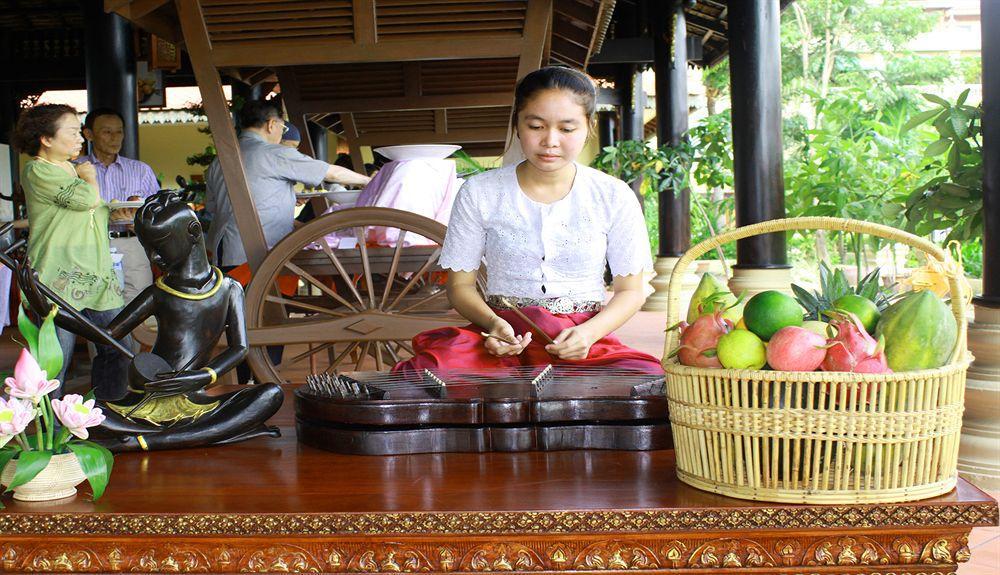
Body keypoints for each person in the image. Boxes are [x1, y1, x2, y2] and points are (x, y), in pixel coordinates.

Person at [393, 67, 662, 375]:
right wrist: (494, 324)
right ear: (517, 126)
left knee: (647, 381)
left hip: (583, 338)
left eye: (567, 128)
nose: (550, 141)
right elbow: (461, 287)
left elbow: (632, 290)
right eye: (536, 125)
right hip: (503, 335)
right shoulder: (479, 192)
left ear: (589, 126)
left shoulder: (613, 195)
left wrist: (588, 334)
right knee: (429, 375)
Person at [16, 191, 283, 452]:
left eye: (160, 246)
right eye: (148, 249)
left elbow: (240, 348)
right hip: (148, 395)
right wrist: (50, 310)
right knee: (89, 412)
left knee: (270, 394)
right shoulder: (159, 292)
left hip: (196, 395)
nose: (153, 257)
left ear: (192, 232)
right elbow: (107, 334)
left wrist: (202, 376)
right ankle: (191, 434)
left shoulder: (229, 288)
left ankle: (149, 440)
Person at [10, 104, 131, 399]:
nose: (81, 139)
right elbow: (84, 200)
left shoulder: (73, 168)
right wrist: (89, 178)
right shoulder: (38, 170)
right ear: (46, 139)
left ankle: (103, 412)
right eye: (73, 132)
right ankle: (48, 430)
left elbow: (92, 209)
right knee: (56, 360)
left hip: (97, 272)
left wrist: (111, 212)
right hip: (58, 276)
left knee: (118, 346)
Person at [204, 99, 370, 269]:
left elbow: (213, 206)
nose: (281, 134)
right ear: (271, 124)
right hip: (259, 253)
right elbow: (332, 174)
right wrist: (369, 181)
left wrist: (285, 198)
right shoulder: (274, 153)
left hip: (223, 250)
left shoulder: (218, 161)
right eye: (282, 129)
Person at [81, 107, 160, 304]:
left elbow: (157, 211)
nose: (115, 138)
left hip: (131, 243)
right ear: (88, 134)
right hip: (90, 245)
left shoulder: (140, 170)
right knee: (94, 303)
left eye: (119, 131)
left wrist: (139, 219)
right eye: (107, 132)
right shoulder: (77, 169)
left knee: (138, 303)